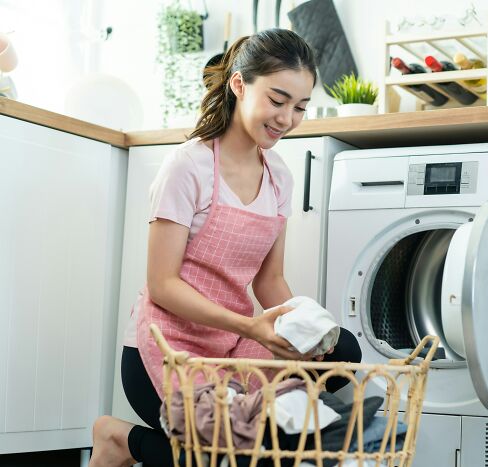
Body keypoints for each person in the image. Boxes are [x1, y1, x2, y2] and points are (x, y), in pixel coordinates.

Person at [89, 28, 361, 467]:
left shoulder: (279, 177)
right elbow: (161, 284)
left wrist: (309, 332)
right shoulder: (189, 165)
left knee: (337, 358)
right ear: (239, 84)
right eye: (277, 100)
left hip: (234, 344)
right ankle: (120, 440)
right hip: (165, 346)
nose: (287, 118)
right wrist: (250, 326)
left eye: (300, 107)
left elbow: (269, 280)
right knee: (226, 457)